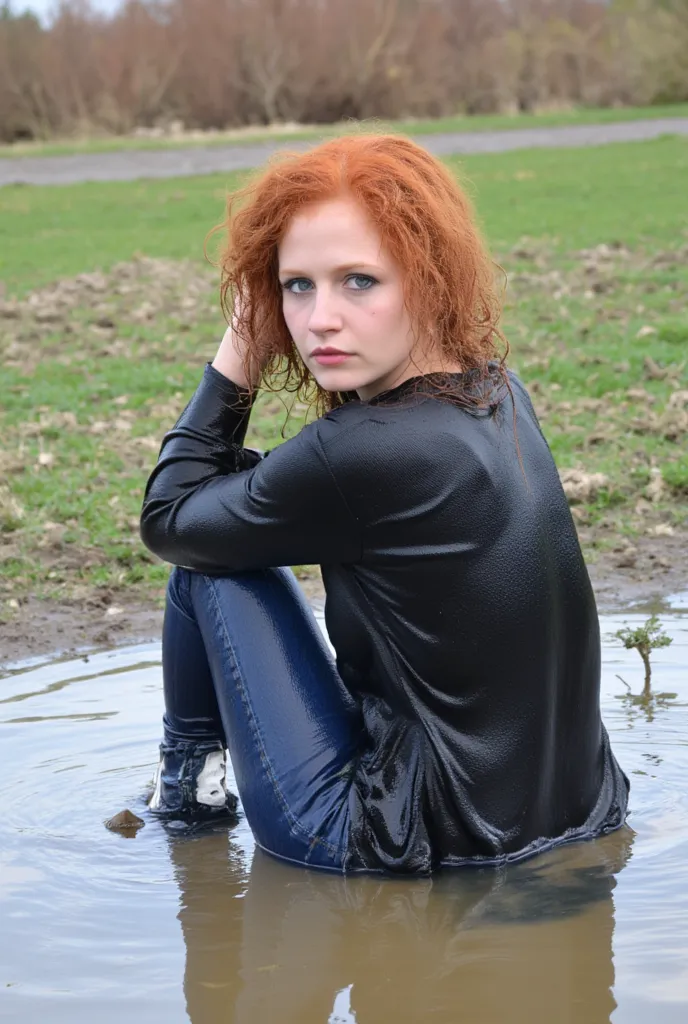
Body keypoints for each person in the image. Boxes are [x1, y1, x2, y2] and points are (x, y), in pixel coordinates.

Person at [139, 132, 629, 876]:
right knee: (225, 536)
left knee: (210, 566)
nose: (318, 319)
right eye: (294, 286)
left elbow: (170, 518)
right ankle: (191, 791)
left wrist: (239, 348)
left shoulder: (362, 449)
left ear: (429, 279)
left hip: (404, 846)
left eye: (359, 281)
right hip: (583, 813)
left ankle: (187, 799)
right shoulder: (498, 391)